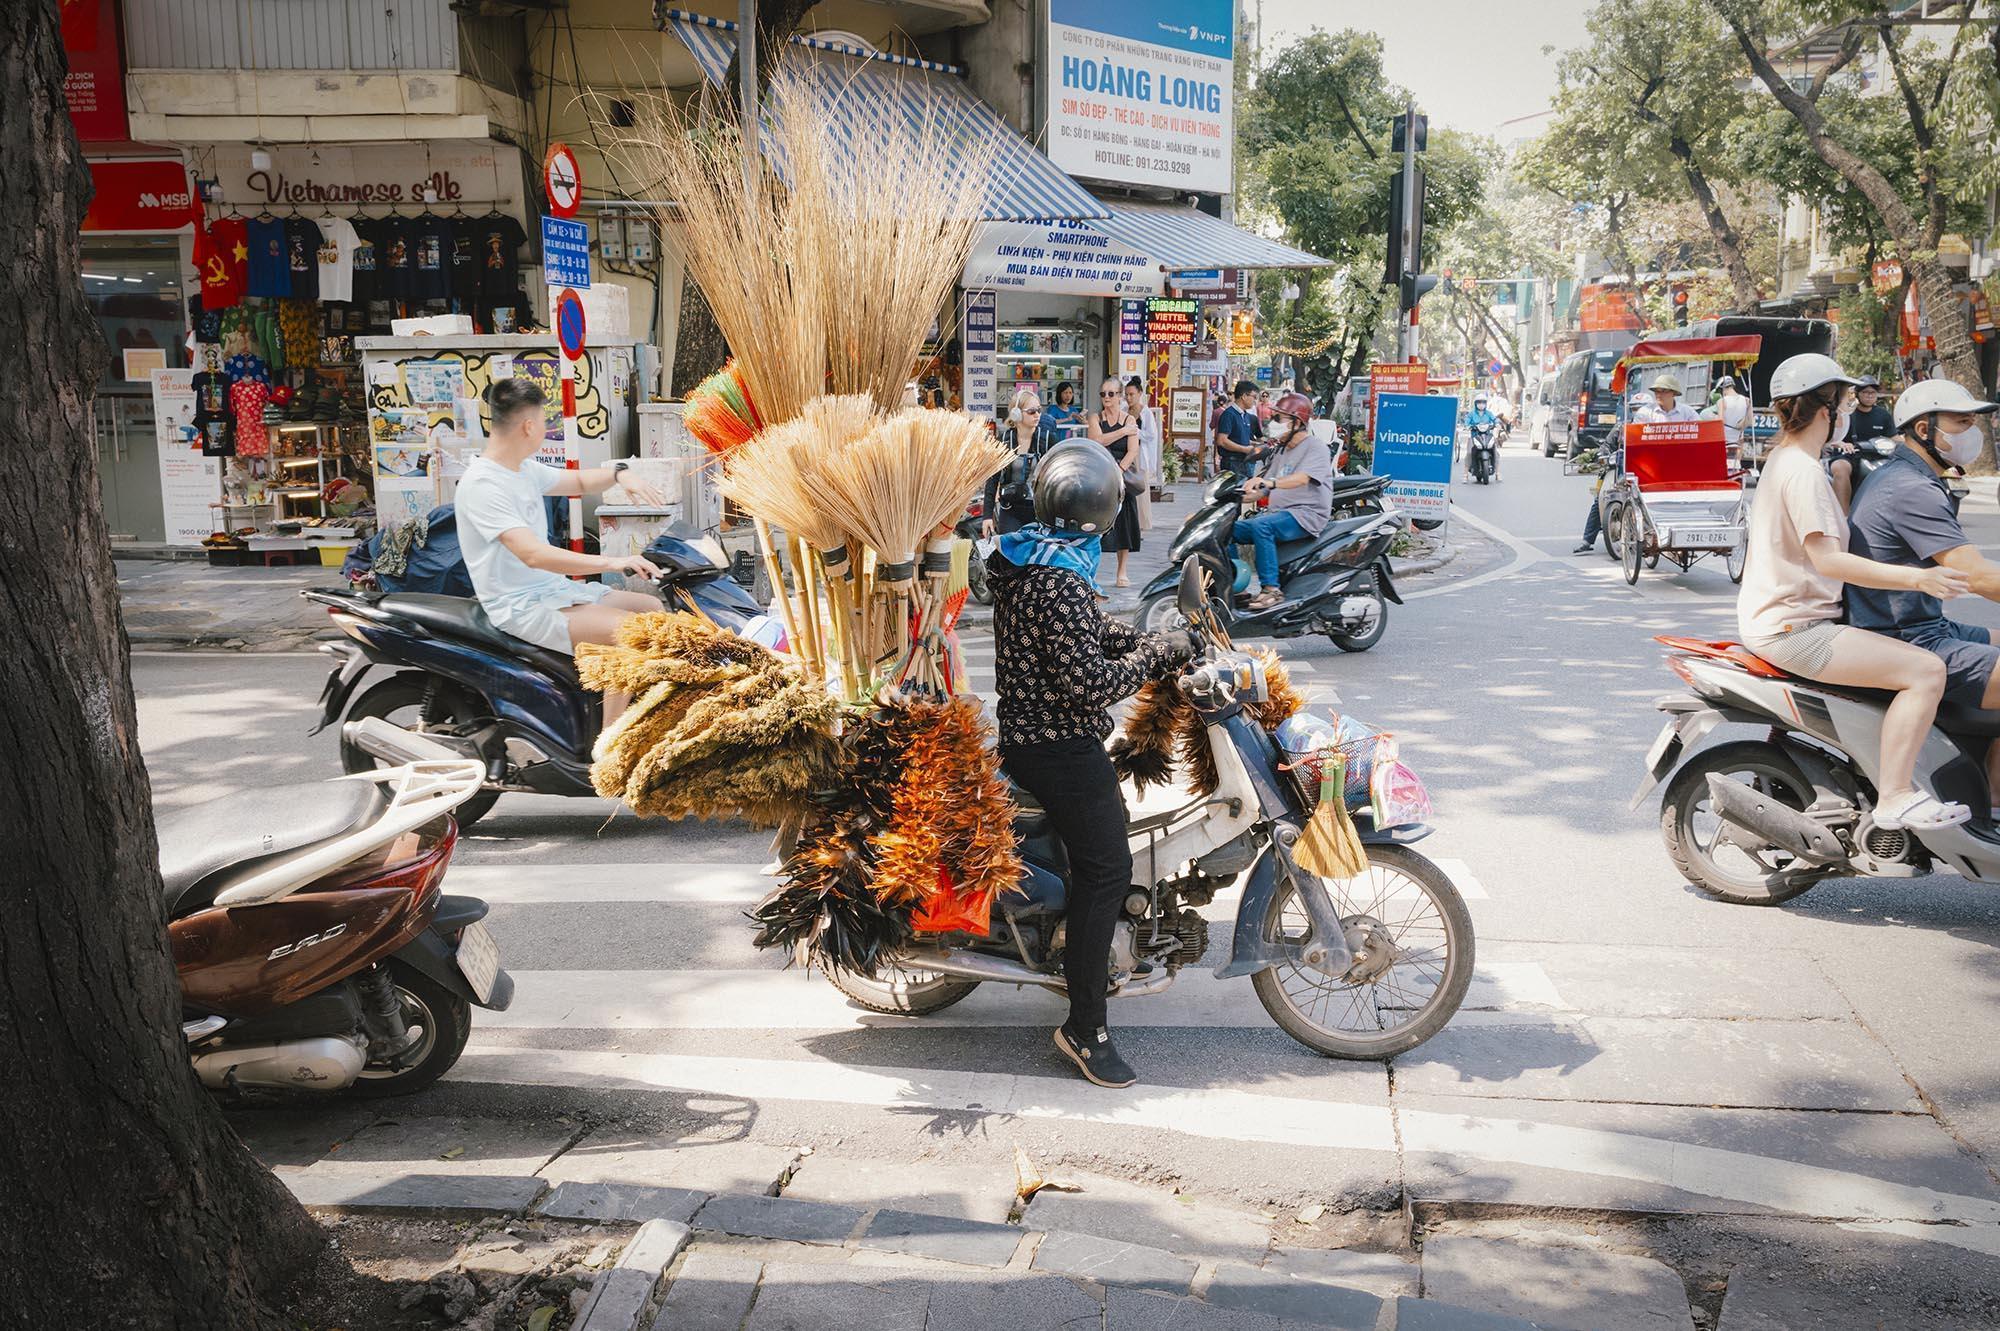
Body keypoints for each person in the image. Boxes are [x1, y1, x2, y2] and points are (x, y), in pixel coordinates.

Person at [986, 443, 1197, 1088]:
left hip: (1044, 737)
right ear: (1100, 516)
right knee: (1107, 871)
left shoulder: (1034, 557)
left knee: (1100, 859)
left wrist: (1152, 641)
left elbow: (1090, 635)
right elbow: (1087, 682)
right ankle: (1085, 1027)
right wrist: (1154, 661)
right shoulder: (1057, 578)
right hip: (1058, 747)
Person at [1737, 353, 1971, 831]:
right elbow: (1829, 560)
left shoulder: (1787, 460)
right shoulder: (1801, 471)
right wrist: (1918, 578)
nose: (1846, 412)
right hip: (1795, 630)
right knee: (1926, 671)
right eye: (1843, 402)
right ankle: (1896, 796)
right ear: (1826, 410)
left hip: (1782, 619)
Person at [455, 378, 666, 721]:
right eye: (543, 422)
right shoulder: (483, 484)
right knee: (634, 633)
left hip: (553, 592)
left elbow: (581, 482)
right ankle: (611, 753)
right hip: (520, 606)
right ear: (528, 426)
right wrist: (614, 561)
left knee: (653, 608)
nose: (545, 429)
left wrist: (622, 473)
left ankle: (619, 707)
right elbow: (534, 555)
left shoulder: (521, 468)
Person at [1844, 379, 2000, 805]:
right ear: (1924, 429)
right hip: (1907, 637)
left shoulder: (1910, 476)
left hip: (1922, 624)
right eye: (1961, 421)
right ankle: (1994, 800)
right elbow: (1976, 576)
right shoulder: (1910, 488)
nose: (1972, 431)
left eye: (1974, 421)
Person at [1574, 372, 1697, 553]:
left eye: (1663, 391)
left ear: (1673, 393)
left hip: (1678, 464)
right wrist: (1605, 455)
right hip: (1641, 467)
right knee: (1600, 497)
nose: (1659, 395)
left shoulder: (1688, 413)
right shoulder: (1638, 418)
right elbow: (1616, 445)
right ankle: (1587, 539)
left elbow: (1699, 433)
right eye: (1657, 391)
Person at [1232, 390, 1333, 611]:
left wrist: (1271, 484)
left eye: (1279, 418)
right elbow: (1264, 488)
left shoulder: (1316, 447)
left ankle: (1271, 589)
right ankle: (1236, 588)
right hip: (1280, 514)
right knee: (1227, 530)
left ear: (1297, 422)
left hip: (1306, 515)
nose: (1273, 422)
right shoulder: (1281, 451)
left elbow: (1302, 478)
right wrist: (1241, 493)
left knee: (1262, 526)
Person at [1087, 378, 1145, 588]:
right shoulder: (1095, 417)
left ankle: (1122, 570)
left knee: (1124, 523)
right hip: (1100, 474)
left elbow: (1133, 450)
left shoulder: (1130, 419)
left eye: (1111, 394)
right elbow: (1096, 441)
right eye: (1103, 394)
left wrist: (1118, 471)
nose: (1107, 398)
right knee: (1094, 523)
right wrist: (1122, 432)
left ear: (1120, 396)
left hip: (1121, 475)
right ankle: (1092, 569)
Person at [982, 388, 1059, 536]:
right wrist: (987, 516)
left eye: (1039, 410)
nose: (1037, 415)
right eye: (1031, 411)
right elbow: (992, 480)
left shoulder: (1048, 439)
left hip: (1041, 512)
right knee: (1011, 556)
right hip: (1011, 510)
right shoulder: (1004, 440)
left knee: (1036, 557)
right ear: (1016, 414)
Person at [1125, 376, 1162, 529]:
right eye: (1126, 394)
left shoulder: (1145, 412)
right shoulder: (1123, 410)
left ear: (1139, 394)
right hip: (1125, 452)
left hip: (1139, 453)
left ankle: (1142, 523)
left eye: (1131, 394)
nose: (1128, 398)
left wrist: (1134, 431)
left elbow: (1151, 435)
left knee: (1140, 489)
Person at [1212, 380, 1263, 478]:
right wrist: (1245, 449)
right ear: (1244, 396)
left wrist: (1255, 444)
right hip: (1232, 464)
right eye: (1254, 397)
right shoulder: (1229, 414)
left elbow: (1238, 437)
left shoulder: (1245, 415)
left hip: (1244, 463)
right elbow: (1222, 441)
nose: (1255, 401)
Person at [1704, 374, 1751, 449]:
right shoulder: (1746, 400)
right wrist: (1738, 426)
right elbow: (1749, 421)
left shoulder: (1721, 401)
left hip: (1724, 442)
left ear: (1722, 388)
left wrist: (1713, 417)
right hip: (1737, 442)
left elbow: (1720, 423)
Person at [1845, 376, 1896, 443]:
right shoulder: (1848, 415)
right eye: (1865, 392)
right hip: (1853, 452)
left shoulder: (1883, 415)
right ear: (1857, 394)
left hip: (1878, 452)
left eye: (1873, 392)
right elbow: (1835, 441)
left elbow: (1894, 437)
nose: (1870, 396)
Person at [1466, 393, 1501, 481]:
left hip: (1487, 436)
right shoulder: (1471, 414)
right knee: (1469, 453)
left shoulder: (1489, 413)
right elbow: (1467, 421)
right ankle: (1465, 474)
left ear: (1486, 404)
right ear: (1475, 403)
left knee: (1496, 453)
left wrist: (1497, 423)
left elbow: (1495, 419)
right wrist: (1467, 426)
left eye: (1483, 402)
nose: (1481, 404)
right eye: (1479, 402)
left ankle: (1497, 473)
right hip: (1474, 436)